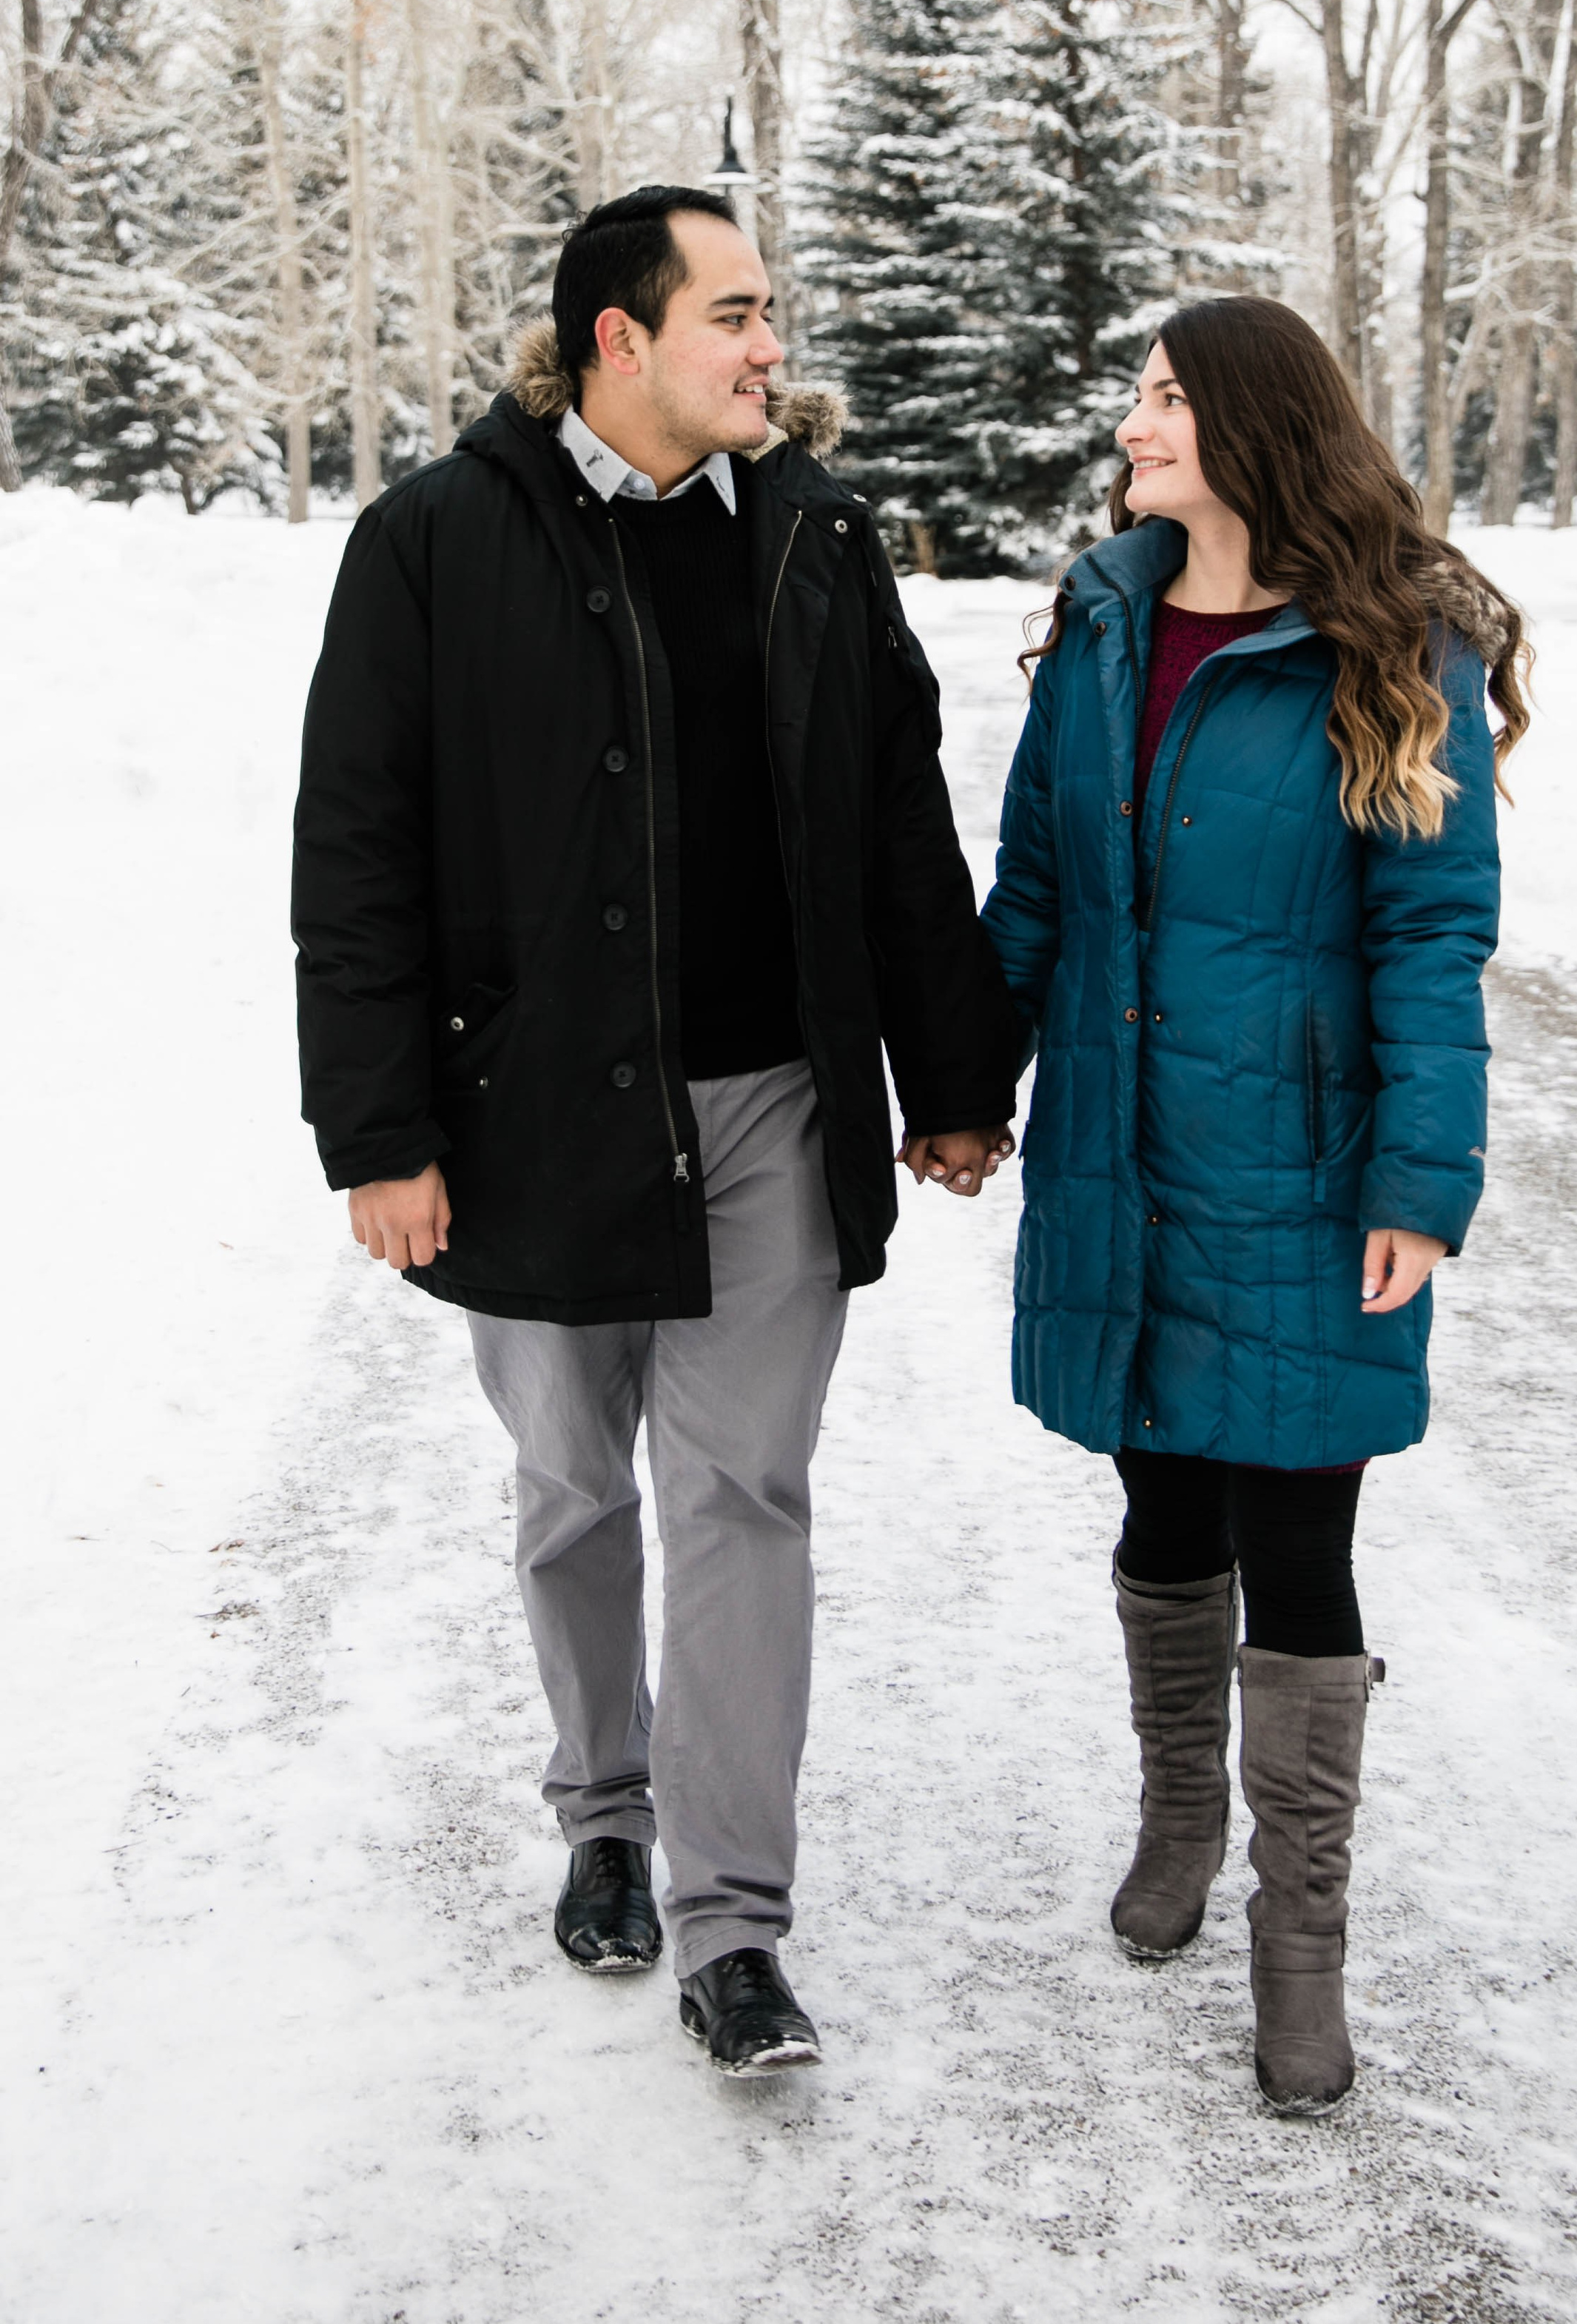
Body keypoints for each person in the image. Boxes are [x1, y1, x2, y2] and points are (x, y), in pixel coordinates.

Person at [292, 187, 1017, 2075]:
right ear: (621, 338)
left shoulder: (818, 537)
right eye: (736, 313)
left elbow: (895, 825)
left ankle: (730, 1925)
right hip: (527, 1111)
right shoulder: (436, 542)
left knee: (742, 1494)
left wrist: (949, 1080)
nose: (771, 345)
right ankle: (602, 1812)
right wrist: (379, 1132)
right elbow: (354, 857)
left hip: (773, 1100)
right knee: (573, 1487)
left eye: (768, 311)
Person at [979, 295, 1527, 2114]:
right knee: (1160, 1503)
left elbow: (1431, 925)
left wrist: (1417, 1179)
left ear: (1247, 423)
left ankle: (1304, 1945)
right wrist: (967, 1093)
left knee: (1297, 1540)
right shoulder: (1100, 620)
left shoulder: (1387, 641)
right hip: (1121, 1144)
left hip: (1298, 1172)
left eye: (1158, 399)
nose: (1129, 425)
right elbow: (1034, 888)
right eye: (1132, 394)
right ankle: (1175, 1817)